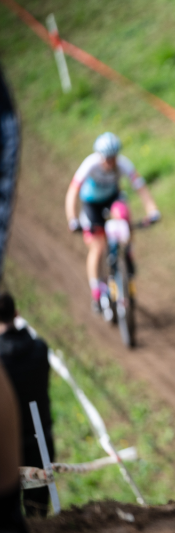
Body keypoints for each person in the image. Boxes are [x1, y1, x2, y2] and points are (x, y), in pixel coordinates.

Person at [64, 132, 161, 313]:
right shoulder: (90, 164)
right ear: (99, 156)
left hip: (112, 199)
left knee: (123, 215)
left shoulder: (123, 164)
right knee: (98, 247)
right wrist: (72, 219)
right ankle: (96, 291)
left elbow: (140, 188)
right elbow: (72, 192)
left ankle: (127, 251)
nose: (110, 162)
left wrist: (152, 210)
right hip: (91, 204)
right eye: (107, 159)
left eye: (113, 158)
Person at [0, 63, 29, 533]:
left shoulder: (118, 170)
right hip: (89, 206)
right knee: (95, 243)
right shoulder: (91, 172)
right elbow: (75, 199)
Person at [0, 293, 53, 518]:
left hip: (7, 445)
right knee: (37, 511)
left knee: (7, 513)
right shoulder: (40, 348)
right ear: (16, 313)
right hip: (39, 440)